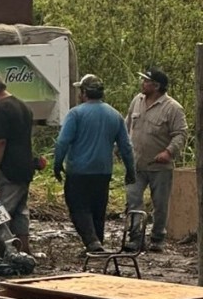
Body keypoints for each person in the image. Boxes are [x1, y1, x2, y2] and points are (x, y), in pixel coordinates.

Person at [52, 74, 135, 252]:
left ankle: (92, 242)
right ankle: (97, 244)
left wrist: (57, 164)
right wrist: (130, 170)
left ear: (84, 93)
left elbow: (62, 142)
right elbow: (126, 147)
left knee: (78, 207)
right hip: (103, 171)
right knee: (98, 209)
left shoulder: (76, 113)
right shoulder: (115, 115)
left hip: (79, 171)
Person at [125, 66, 188, 250]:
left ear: (157, 86)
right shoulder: (137, 101)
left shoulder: (173, 108)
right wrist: (120, 147)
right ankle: (135, 237)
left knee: (160, 204)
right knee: (133, 199)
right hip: (136, 163)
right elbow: (127, 123)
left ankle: (157, 237)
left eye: (147, 81)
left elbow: (180, 134)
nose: (142, 83)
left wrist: (168, 152)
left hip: (160, 166)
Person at [0, 73, 35, 253]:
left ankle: (4, 251)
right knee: (20, 211)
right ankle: (24, 249)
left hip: (9, 169)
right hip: (25, 167)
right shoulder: (23, 106)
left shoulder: (0, 109)